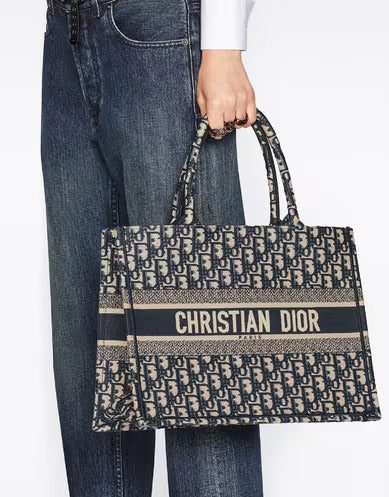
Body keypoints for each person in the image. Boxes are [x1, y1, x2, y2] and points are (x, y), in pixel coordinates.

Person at [41, 0, 263, 496]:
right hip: (66, 31)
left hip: (159, 30)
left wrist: (223, 43)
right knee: (89, 345)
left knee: (200, 349)